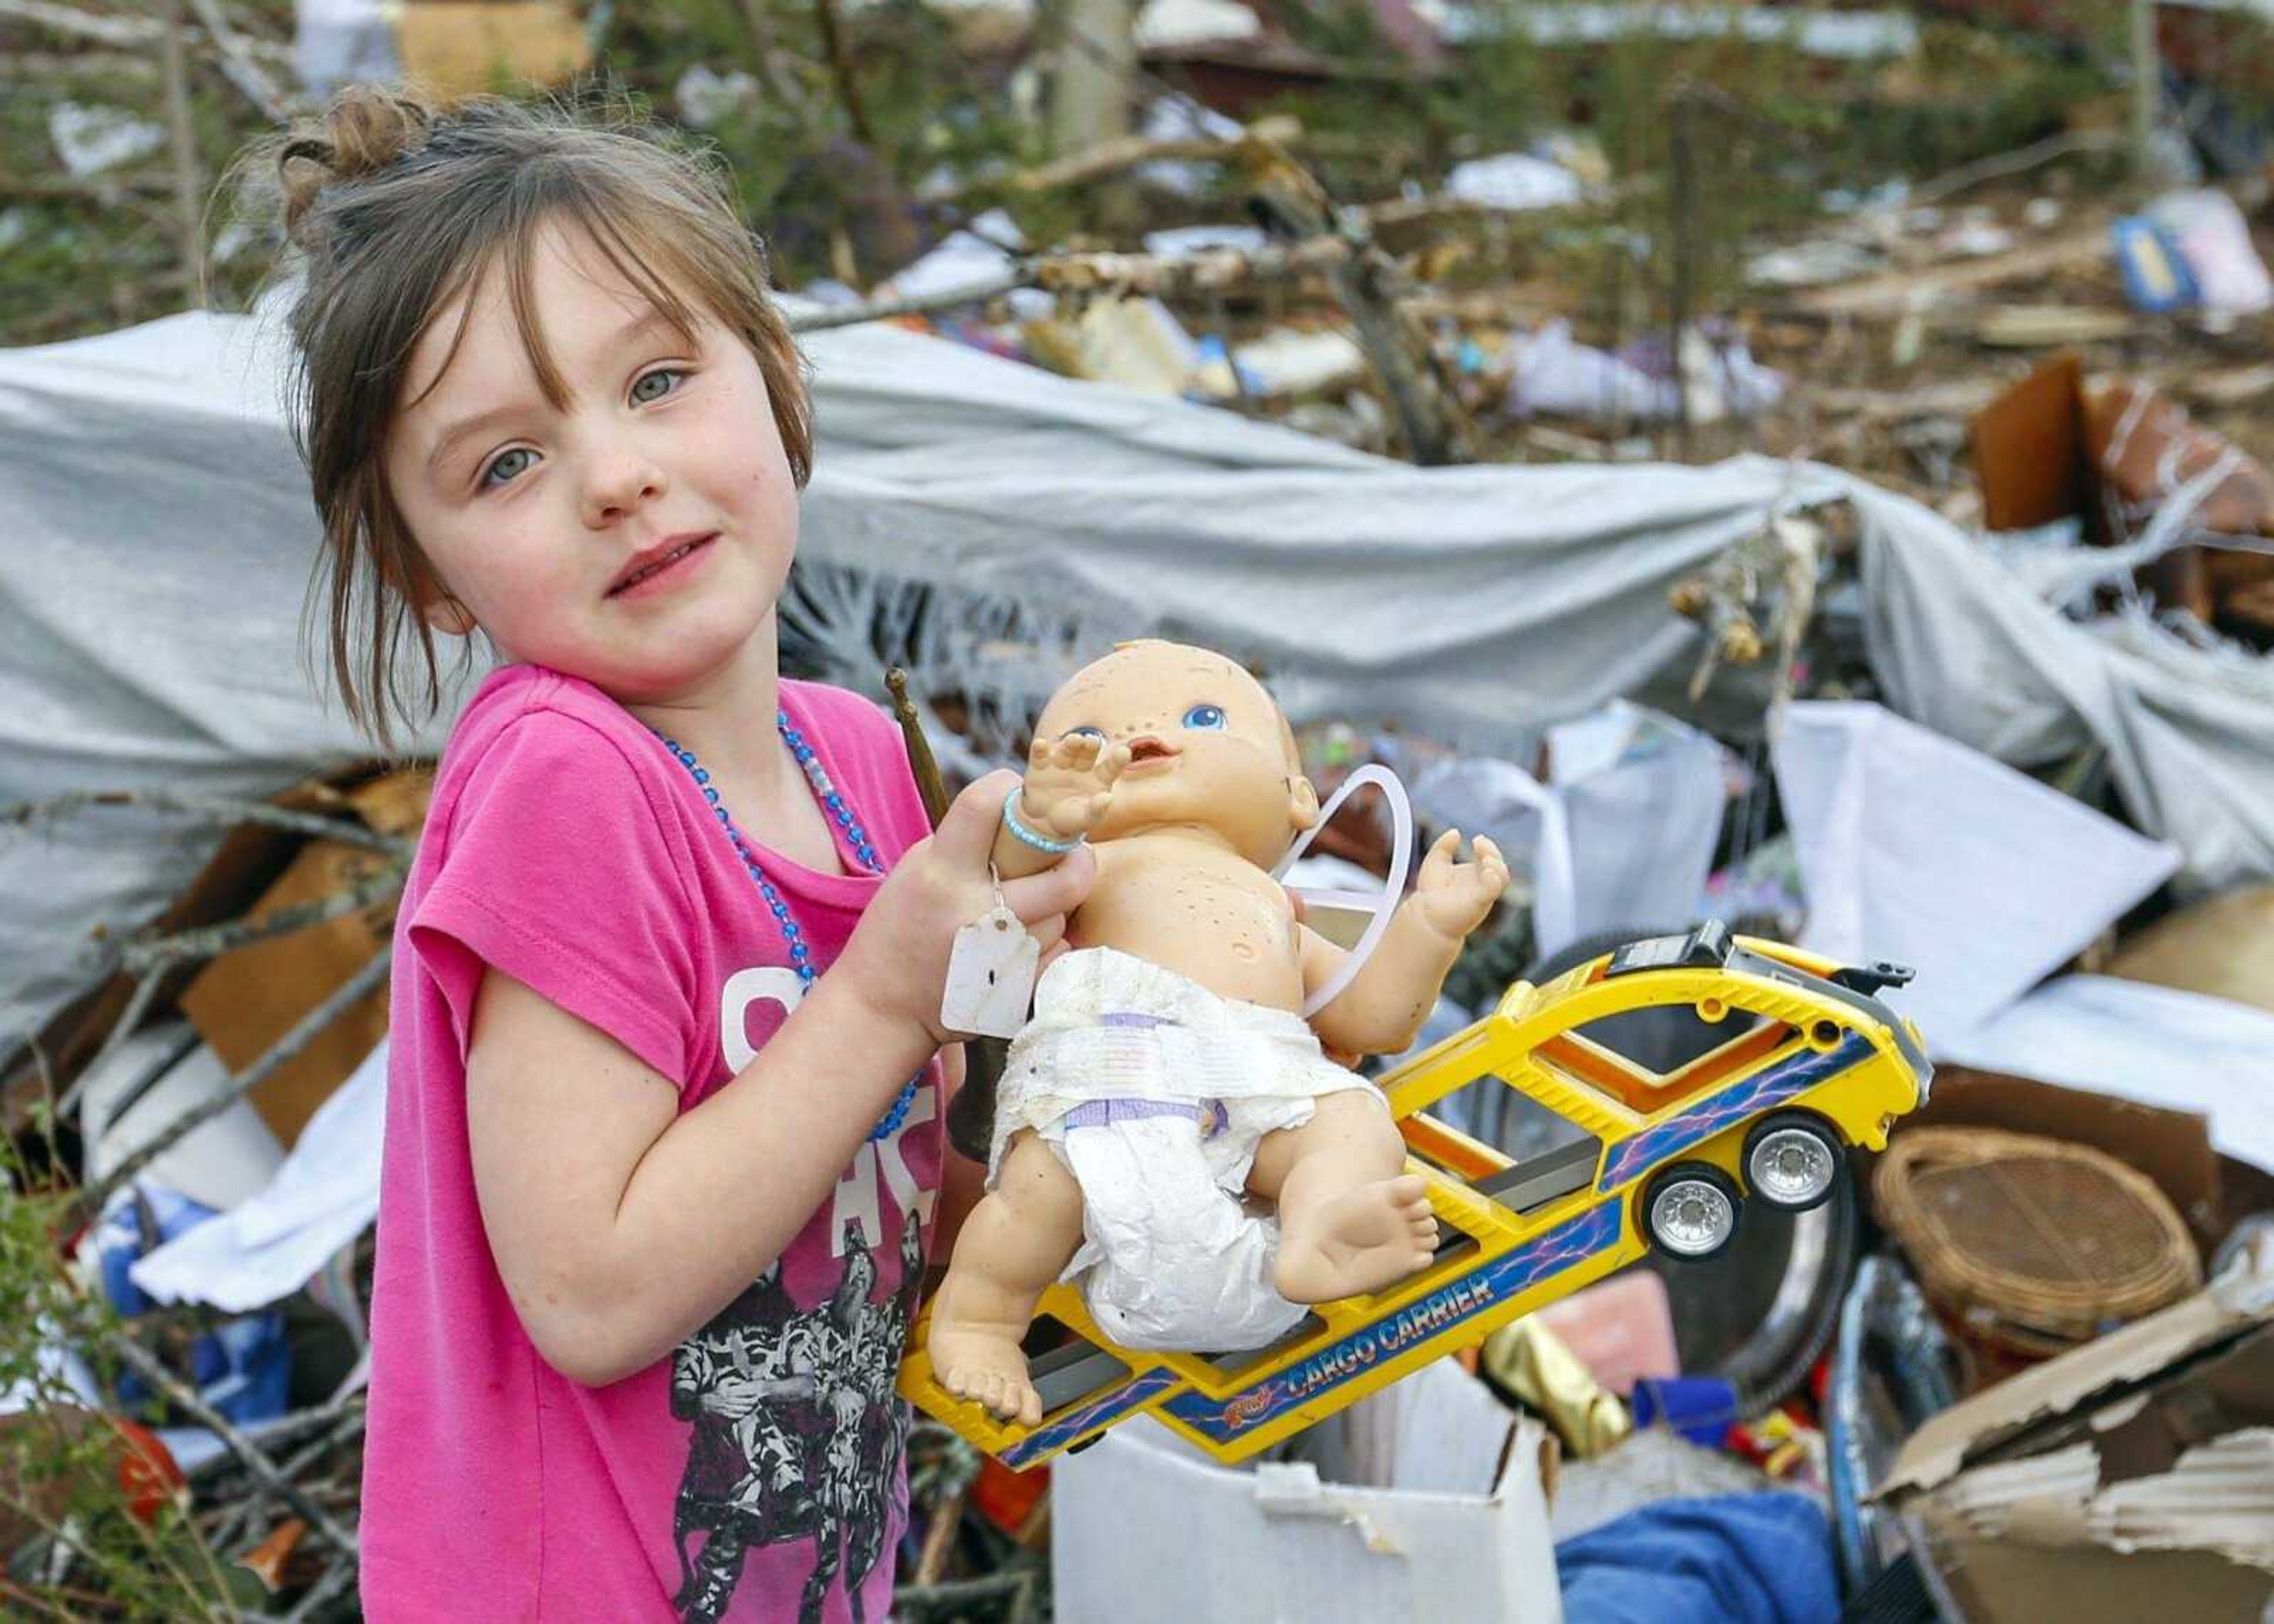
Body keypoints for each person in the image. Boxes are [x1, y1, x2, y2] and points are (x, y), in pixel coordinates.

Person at [255, 86, 1089, 1620]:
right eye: (503, 464)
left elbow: (915, 1221)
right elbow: (591, 1289)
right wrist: (891, 997)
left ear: (772, 371)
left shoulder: (852, 765)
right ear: (424, 578)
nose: (613, 475)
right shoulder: (566, 778)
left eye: (655, 378)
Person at [927, 640, 1507, 1426]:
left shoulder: (1276, 907)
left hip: (1255, 1087)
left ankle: (1322, 1223)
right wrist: (1038, 827)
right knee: (1036, 1195)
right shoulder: (1084, 870)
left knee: (1352, 1121)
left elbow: (1373, 1018)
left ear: (1299, 796)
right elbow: (997, 897)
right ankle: (984, 1321)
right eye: (1092, 735)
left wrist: (1430, 927)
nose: (1144, 734)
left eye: (1202, 717)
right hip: (1114, 1074)